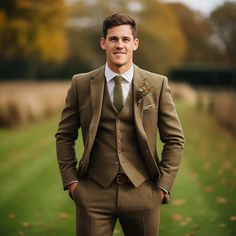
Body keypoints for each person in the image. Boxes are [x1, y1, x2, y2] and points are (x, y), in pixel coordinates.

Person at [55, 13, 184, 236]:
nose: (119, 45)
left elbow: (175, 139)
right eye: (113, 39)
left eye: (125, 39)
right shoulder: (81, 83)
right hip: (93, 192)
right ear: (103, 43)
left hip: (143, 192)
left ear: (135, 44)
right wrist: (72, 182)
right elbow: (64, 135)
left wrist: (162, 187)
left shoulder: (156, 83)